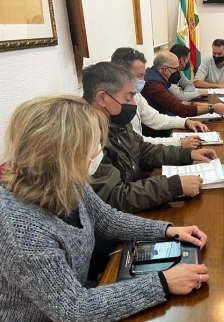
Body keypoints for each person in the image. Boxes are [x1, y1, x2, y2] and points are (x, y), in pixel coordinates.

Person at [0, 94, 209, 321]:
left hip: (74, 296)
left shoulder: (67, 181)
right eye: (94, 144)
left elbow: (106, 219)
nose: (99, 151)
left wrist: (167, 230)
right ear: (64, 153)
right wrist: (164, 282)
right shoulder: (21, 228)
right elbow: (75, 310)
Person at [82, 61, 217, 213]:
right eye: (128, 98)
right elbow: (114, 197)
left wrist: (187, 154)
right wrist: (173, 186)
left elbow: (143, 150)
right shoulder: (86, 137)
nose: (133, 103)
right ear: (102, 98)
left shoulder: (115, 120)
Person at [111, 47, 207, 149]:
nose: (143, 80)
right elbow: (137, 142)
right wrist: (178, 142)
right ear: (120, 74)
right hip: (143, 149)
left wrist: (185, 122)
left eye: (143, 75)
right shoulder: (113, 103)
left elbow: (154, 118)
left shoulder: (136, 94)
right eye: (139, 75)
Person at [142, 51, 224, 137]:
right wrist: (212, 108)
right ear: (165, 69)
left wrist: (203, 104)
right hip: (154, 133)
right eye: (176, 69)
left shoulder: (154, 75)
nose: (178, 72)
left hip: (162, 124)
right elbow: (180, 108)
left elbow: (177, 102)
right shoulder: (154, 85)